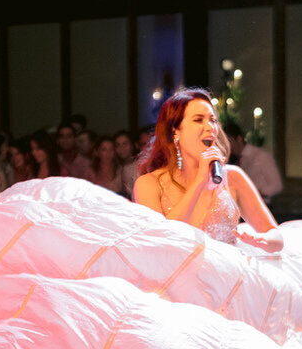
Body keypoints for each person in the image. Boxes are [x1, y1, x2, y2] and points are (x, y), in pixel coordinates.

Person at [133, 88, 282, 252]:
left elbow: (276, 236)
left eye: (213, 120)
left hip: (230, 271)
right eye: (198, 120)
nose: (210, 127)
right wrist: (200, 182)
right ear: (175, 131)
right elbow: (164, 242)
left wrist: (263, 240)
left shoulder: (232, 176)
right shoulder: (149, 184)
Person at [222, 119, 283, 202]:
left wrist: (255, 192)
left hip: (261, 205)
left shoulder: (260, 156)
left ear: (239, 139)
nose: (226, 145)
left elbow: (277, 185)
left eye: (229, 141)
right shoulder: (232, 159)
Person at [113, 130, 138, 198]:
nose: (121, 148)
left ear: (132, 145)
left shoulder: (139, 166)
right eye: (118, 145)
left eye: (125, 144)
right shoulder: (117, 167)